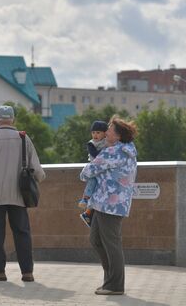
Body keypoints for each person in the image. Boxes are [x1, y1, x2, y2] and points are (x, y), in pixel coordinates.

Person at [0, 105, 45, 282]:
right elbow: (38, 171)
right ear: (13, 120)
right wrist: (38, 180)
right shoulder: (23, 138)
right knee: (22, 232)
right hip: (19, 194)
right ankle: (27, 272)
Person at [79, 115, 138, 296]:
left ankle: (115, 285)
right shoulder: (124, 150)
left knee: (111, 243)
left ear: (118, 136)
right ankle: (110, 280)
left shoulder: (114, 152)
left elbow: (86, 173)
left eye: (110, 130)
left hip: (109, 204)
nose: (106, 133)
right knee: (96, 240)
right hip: (105, 203)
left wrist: (87, 169)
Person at [78, 120, 108, 227]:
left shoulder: (108, 142)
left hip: (104, 171)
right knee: (92, 182)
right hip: (94, 168)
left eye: (98, 132)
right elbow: (95, 155)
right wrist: (106, 152)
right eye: (93, 132)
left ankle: (88, 214)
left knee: (98, 194)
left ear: (105, 133)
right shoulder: (91, 144)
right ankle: (85, 198)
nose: (95, 135)